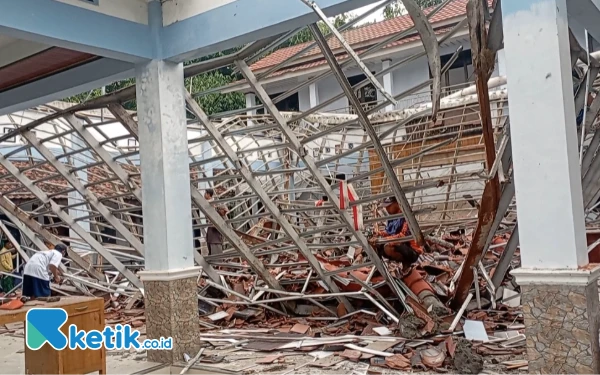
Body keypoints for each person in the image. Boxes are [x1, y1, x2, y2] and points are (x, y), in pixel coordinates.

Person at [374, 196, 423, 268]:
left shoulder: (406, 217)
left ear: (397, 203)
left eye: (389, 206)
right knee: (377, 245)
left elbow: (402, 236)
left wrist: (385, 240)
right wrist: (379, 234)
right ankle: (380, 268)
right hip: (400, 244)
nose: (387, 209)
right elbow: (389, 232)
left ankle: (404, 266)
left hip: (412, 250)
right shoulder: (392, 218)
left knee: (388, 247)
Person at [204, 189, 228, 255]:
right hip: (214, 240)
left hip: (214, 239)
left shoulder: (220, 217)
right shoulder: (215, 215)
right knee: (215, 257)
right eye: (224, 211)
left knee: (215, 257)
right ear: (220, 210)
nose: (225, 213)